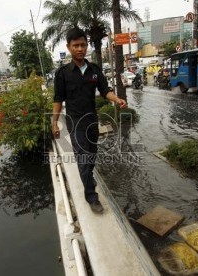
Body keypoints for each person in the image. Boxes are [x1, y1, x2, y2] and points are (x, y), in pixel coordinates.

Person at [52, 27, 127, 214]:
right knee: (84, 159)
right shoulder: (62, 73)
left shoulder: (94, 70)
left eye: (83, 45)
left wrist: (116, 99)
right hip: (75, 123)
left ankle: (88, 177)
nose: (80, 49)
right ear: (68, 47)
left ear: (87, 46)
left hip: (92, 121)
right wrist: (54, 122)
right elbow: (57, 100)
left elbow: (104, 90)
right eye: (76, 45)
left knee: (92, 155)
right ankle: (91, 197)